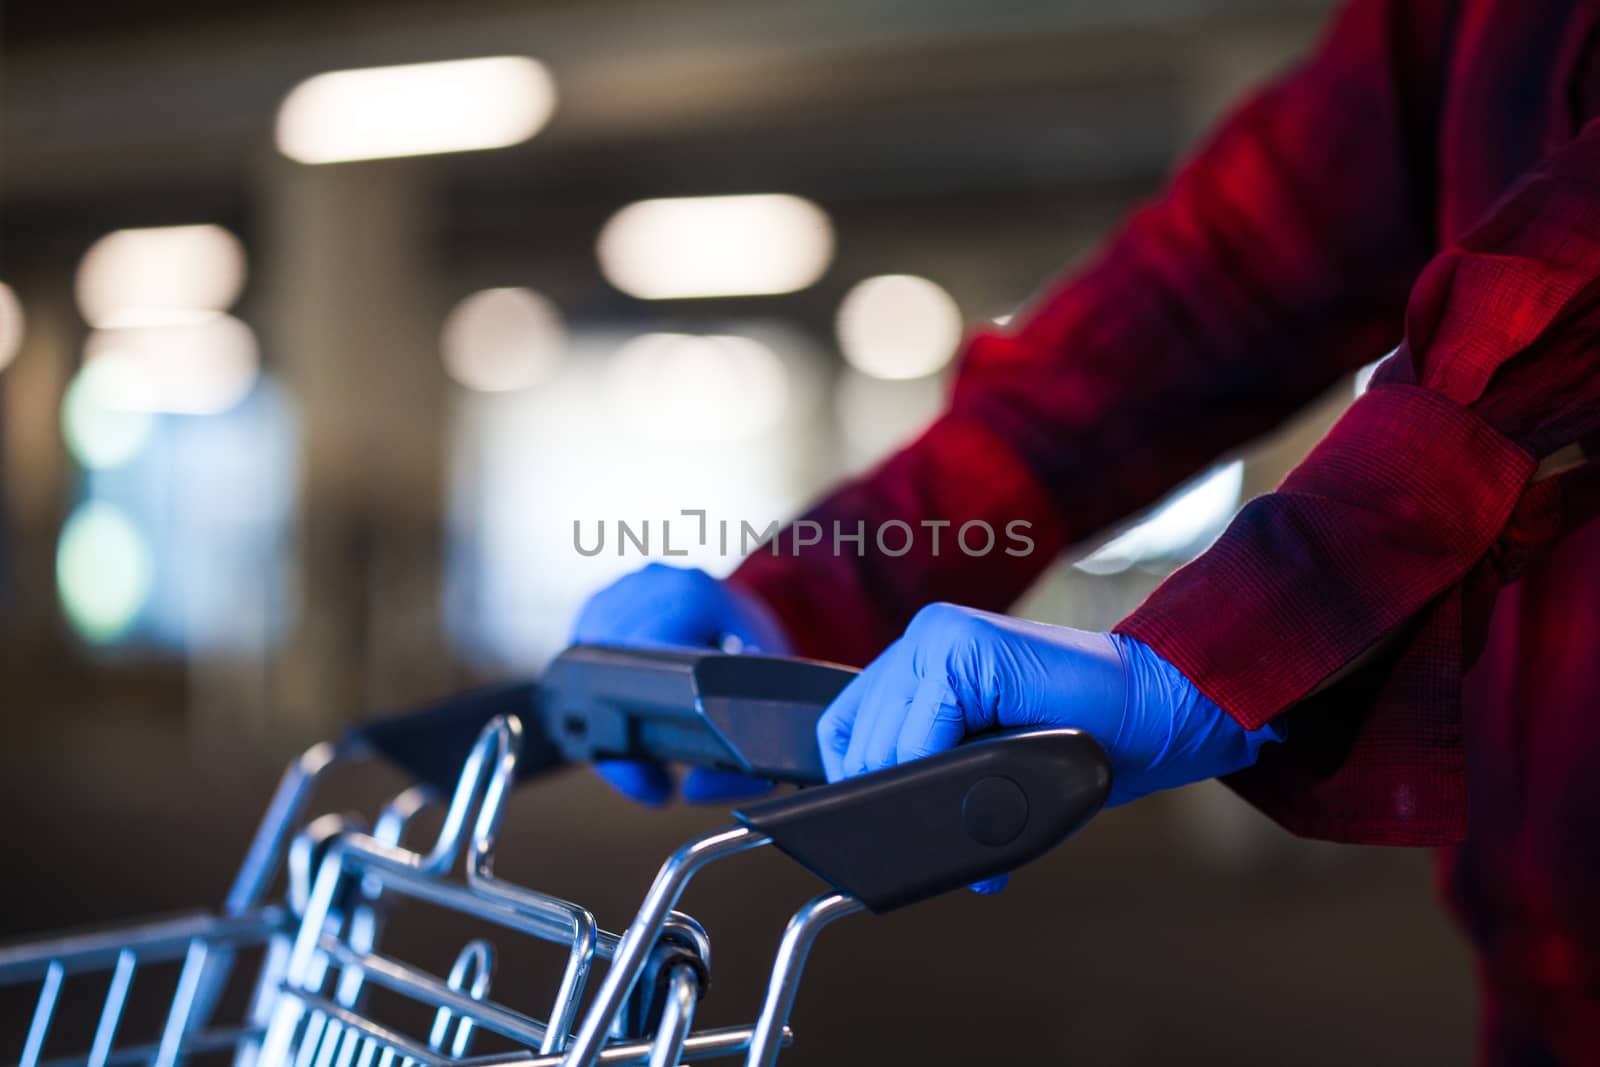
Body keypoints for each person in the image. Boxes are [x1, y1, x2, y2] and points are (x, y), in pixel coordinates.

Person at [575, 1, 1600, 1060]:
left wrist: (1218, 647)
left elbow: (1564, 305)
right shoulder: (1464, 22)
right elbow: (1201, 299)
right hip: (1542, 955)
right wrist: (801, 591)